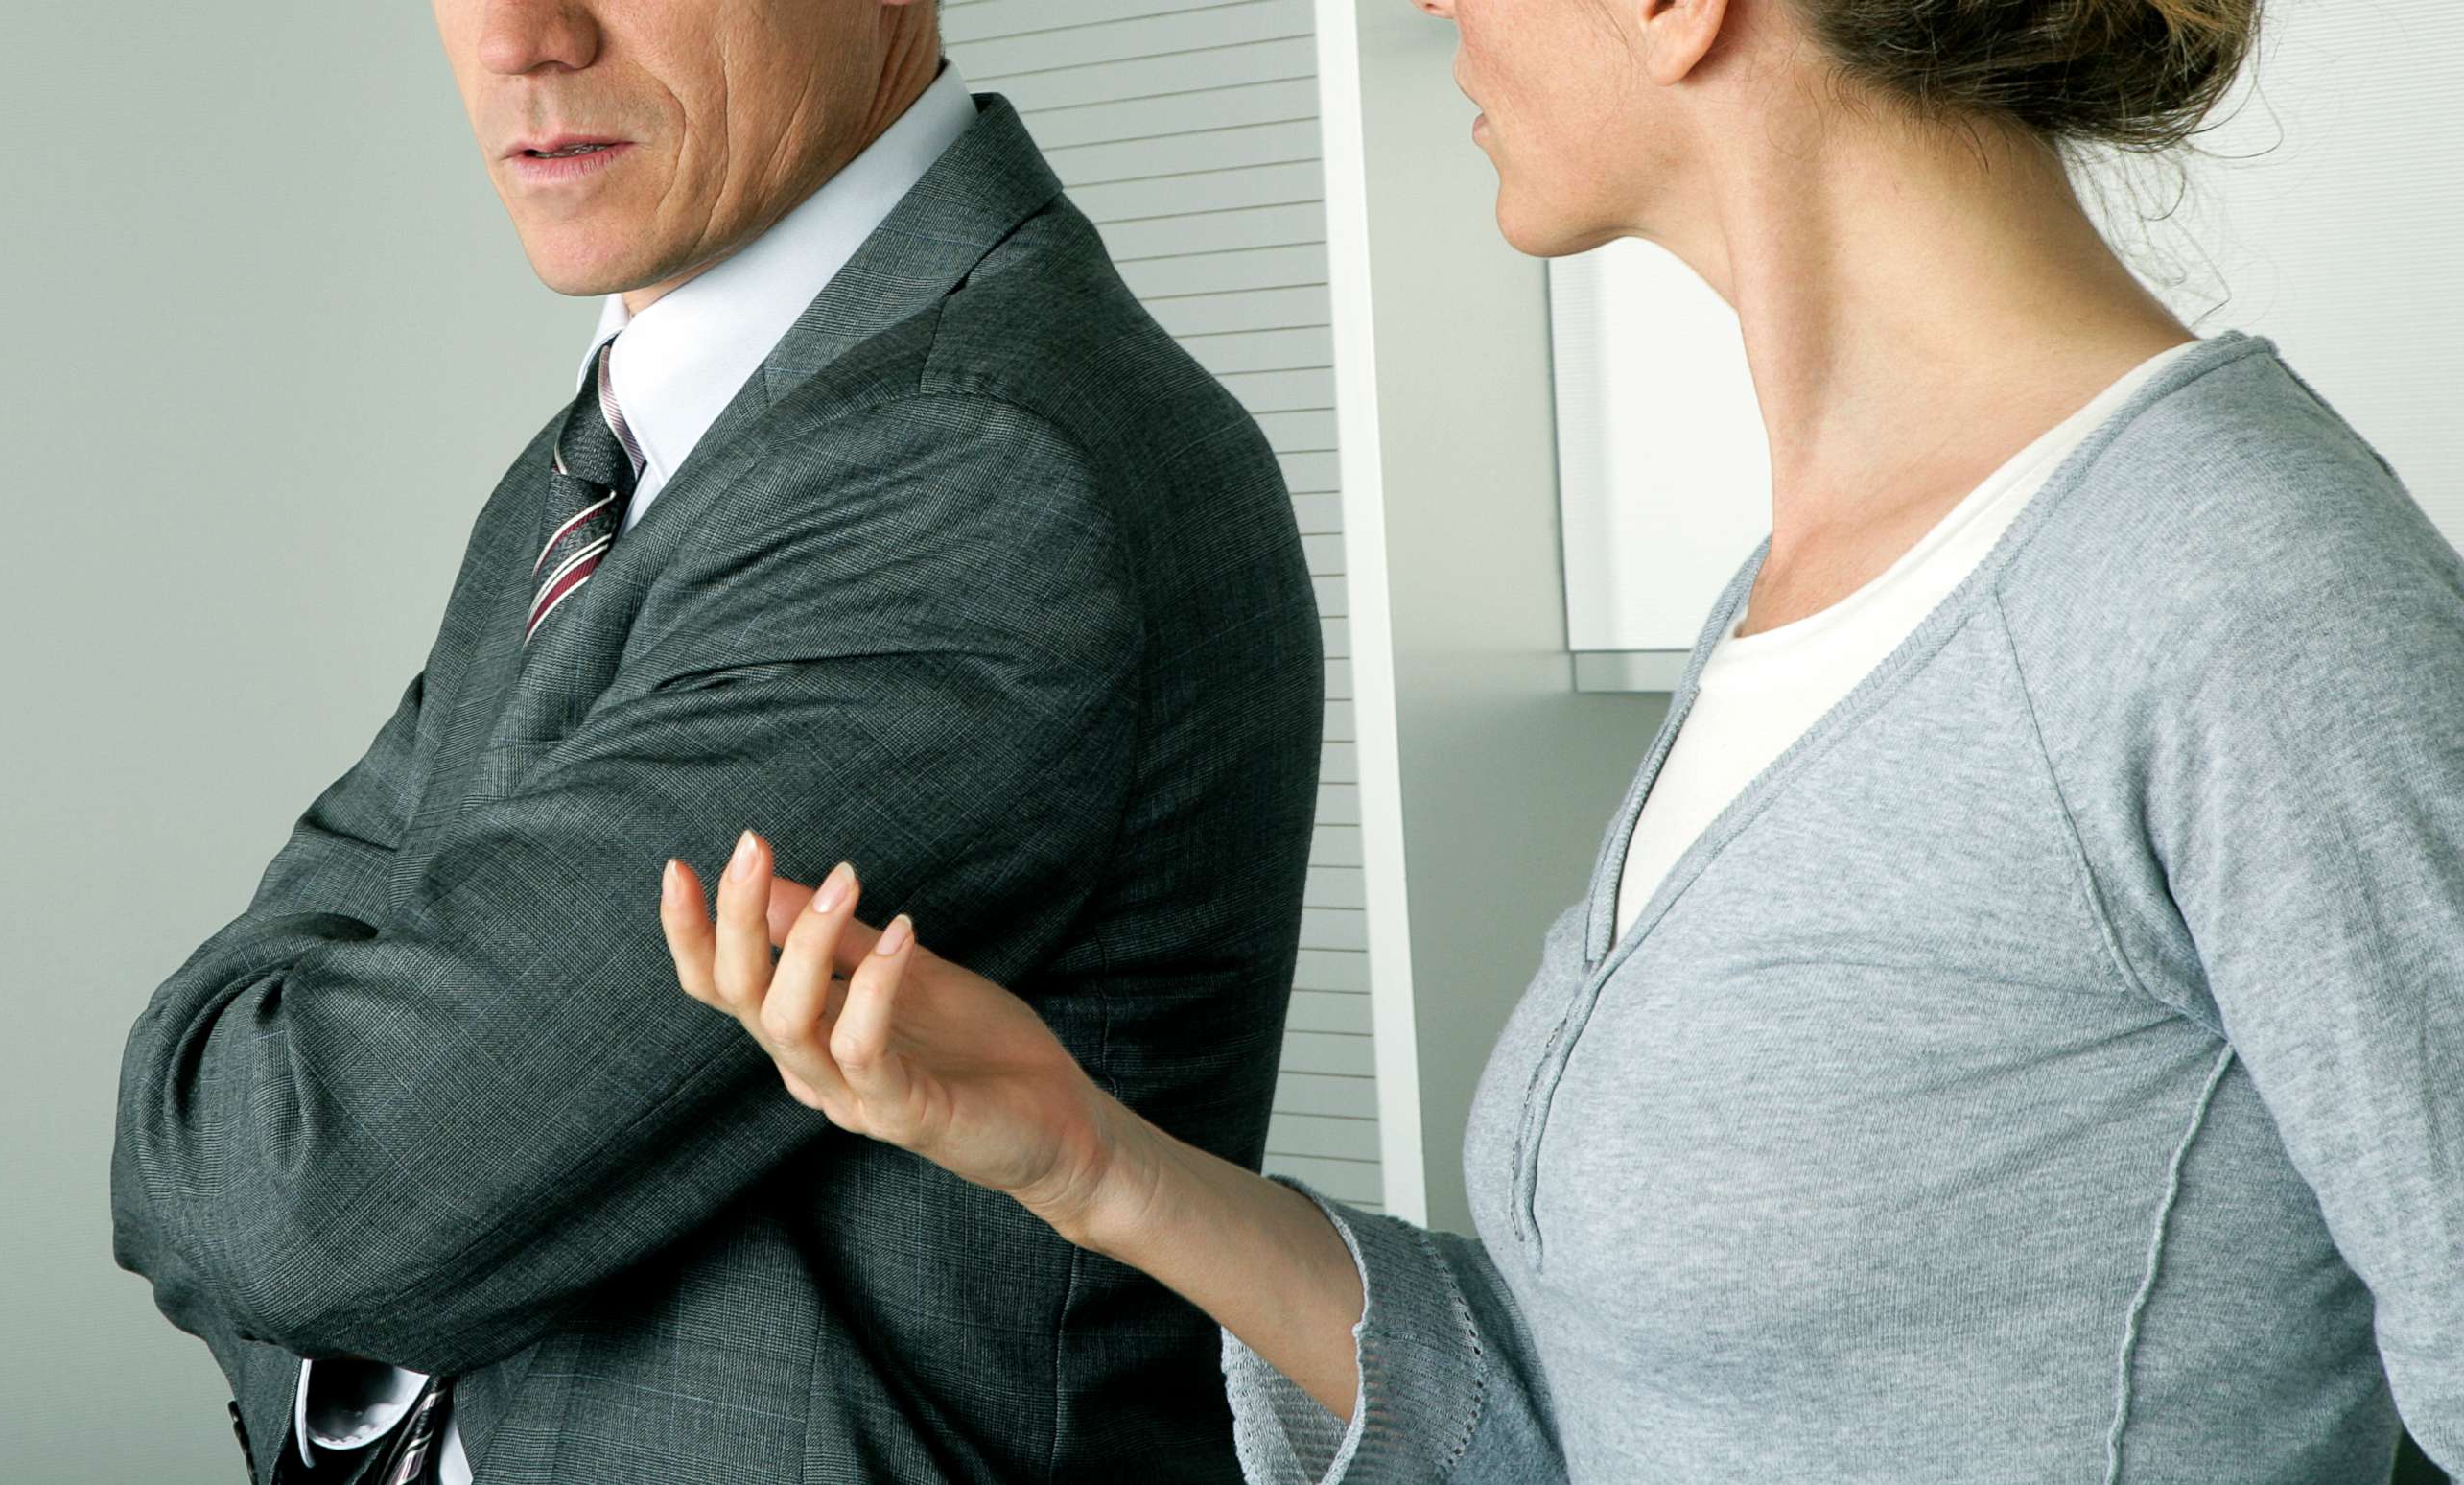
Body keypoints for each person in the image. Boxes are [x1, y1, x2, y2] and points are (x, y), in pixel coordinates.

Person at [664, 0, 2464, 1479]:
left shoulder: (2243, 597)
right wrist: (1087, 1156)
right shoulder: (1803, 595)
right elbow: (1587, 1420)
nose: (1430, 4)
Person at [107, 1, 1324, 1481]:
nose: (519, 36)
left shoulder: (970, 473)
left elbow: (306, 1192)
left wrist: (276, 1161)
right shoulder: (639, 437)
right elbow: (292, 1162)